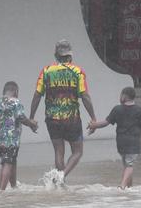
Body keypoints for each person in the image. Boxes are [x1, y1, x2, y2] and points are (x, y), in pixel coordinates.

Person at [30, 39, 97, 186]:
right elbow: (84, 95)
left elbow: (37, 95)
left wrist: (31, 118)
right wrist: (93, 118)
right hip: (72, 119)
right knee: (78, 152)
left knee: (59, 152)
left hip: (52, 119)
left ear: (56, 56)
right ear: (70, 56)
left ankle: (60, 184)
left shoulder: (46, 71)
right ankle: (62, 176)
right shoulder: (77, 72)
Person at [88, 86, 141, 190]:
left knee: (126, 164)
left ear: (124, 96)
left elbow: (106, 123)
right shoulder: (140, 110)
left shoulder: (117, 109)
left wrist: (94, 125)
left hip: (121, 141)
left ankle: (130, 188)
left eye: (121, 95)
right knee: (129, 165)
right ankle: (122, 186)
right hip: (134, 141)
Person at [0, 81, 38, 190]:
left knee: (11, 161)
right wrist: (32, 124)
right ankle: (1, 190)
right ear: (16, 91)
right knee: (8, 163)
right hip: (11, 140)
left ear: (4, 91)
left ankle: (14, 186)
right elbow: (21, 118)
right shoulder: (16, 103)